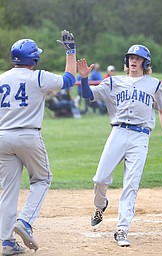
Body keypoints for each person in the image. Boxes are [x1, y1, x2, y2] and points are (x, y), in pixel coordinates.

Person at [77, 44, 162, 247]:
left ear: (145, 63)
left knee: (131, 184)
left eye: (138, 58)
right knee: (100, 178)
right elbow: (88, 94)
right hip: (118, 133)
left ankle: (122, 229)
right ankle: (100, 205)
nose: (133, 61)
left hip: (141, 137)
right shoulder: (113, 82)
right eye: (131, 57)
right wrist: (84, 77)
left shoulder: (154, 84)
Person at [0, 30, 77, 255]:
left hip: (2, 137)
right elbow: (69, 80)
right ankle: (24, 222)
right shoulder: (39, 77)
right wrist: (71, 52)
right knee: (42, 179)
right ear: (33, 59)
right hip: (27, 135)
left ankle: (6, 243)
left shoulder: (1, 78)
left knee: (8, 191)